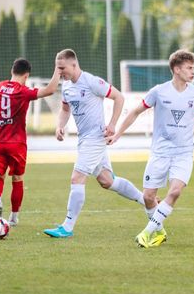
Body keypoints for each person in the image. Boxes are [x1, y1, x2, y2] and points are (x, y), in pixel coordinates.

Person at [106, 49, 194, 248]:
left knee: (175, 192)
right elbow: (135, 112)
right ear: (176, 69)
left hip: (184, 153)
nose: (193, 72)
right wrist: (118, 134)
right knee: (148, 197)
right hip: (160, 152)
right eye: (189, 68)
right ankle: (159, 232)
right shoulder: (159, 91)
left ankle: (146, 233)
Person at [43, 49, 148, 238]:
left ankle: (67, 227)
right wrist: (60, 126)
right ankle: (146, 200)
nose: (59, 72)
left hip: (95, 138)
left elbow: (119, 97)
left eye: (62, 68)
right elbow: (65, 110)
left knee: (77, 178)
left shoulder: (91, 81)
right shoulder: (66, 86)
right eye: (57, 68)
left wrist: (113, 124)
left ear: (74, 64)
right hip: (84, 139)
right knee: (107, 181)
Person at [0, 58, 61, 226]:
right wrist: (58, 69)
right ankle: (13, 217)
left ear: (12, 71)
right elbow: (50, 90)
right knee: (17, 178)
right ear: (26, 76)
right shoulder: (24, 91)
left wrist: (4, 114)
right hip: (16, 143)